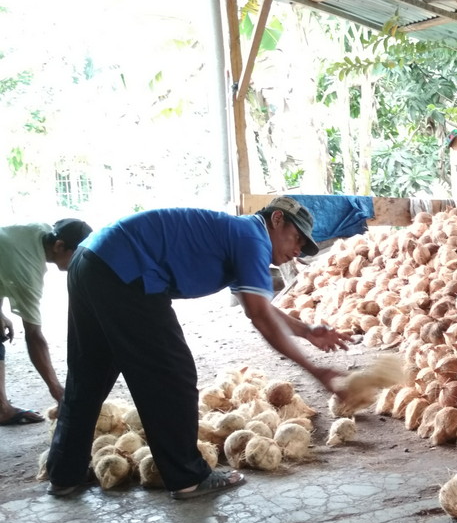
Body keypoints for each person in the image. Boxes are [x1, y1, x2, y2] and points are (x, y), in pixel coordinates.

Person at [46, 197, 348, 500]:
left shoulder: (241, 235)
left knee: (89, 375)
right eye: (296, 238)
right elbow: (259, 317)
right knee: (171, 376)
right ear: (277, 220)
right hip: (125, 271)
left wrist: (306, 331)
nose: (297, 250)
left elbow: (261, 308)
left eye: (304, 247)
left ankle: (64, 474)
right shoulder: (253, 238)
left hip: (90, 260)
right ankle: (187, 477)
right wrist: (316, 370)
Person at [0, 217, 93, 426]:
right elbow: (34, 337)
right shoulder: (27, 269)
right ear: (59, 246)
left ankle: (2, 409)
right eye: (77, 256)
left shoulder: (40, 231)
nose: (79, 262)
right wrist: (58, 392)